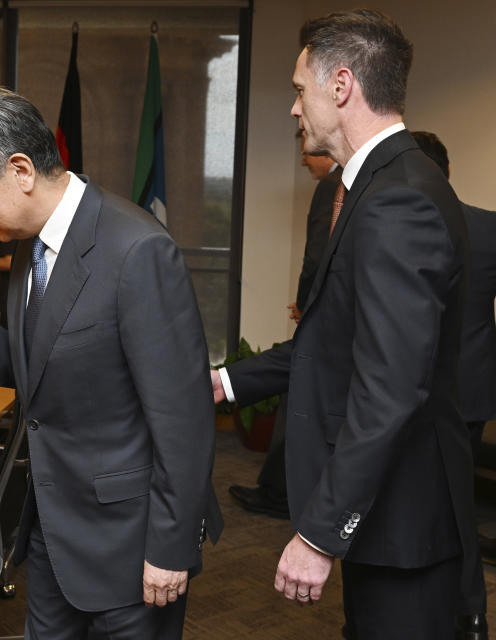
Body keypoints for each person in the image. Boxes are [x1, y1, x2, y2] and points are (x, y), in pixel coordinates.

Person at [0, 87, 221, 639]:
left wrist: (170, 547)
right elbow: (49, 365)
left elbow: (183, 419)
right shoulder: (30, 241)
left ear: (20, 169)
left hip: (130, 544)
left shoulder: (137, 250)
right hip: (52, 529)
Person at [212, 10, 473, 638]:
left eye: (300, 90)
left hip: (403, 521)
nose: (295, 109)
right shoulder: (376, 187)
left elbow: (389, 388)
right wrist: (224, 383)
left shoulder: (397, 198)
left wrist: (319, 533)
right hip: (392, 517)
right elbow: (331, 344)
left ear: (341, 85)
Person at [229, 133, 341, 520]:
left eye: (305, 149)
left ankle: (280, 493)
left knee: (297, 400)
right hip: (331, 320)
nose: (303, 160)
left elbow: (317, 258)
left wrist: (308, 307)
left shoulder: (333, 188)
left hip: (321, 325)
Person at [412, 129, 495, 640]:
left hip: (420, 393)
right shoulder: (487, 226)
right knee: (458, 504)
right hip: (472, 388)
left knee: (426, 503)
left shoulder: (403, 223)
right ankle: (470, 615)